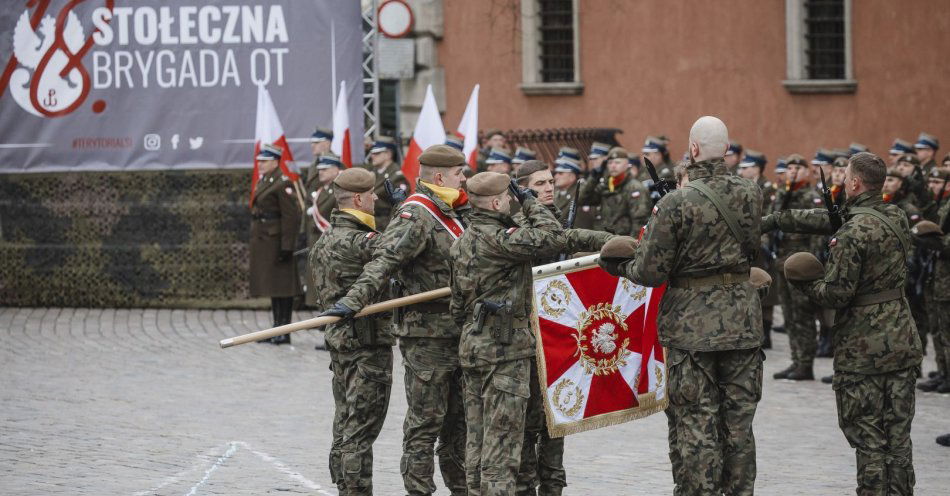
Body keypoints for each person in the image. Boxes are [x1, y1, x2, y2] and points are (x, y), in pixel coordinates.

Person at [599, 116, 763, 495]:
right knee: (739, 426)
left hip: (692, 330)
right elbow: (751, 246)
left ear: (692, 150)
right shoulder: (751, 193)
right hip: (742, 321)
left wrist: (618, 264)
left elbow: (650, 271)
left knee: (696, 424)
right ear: (725, 149)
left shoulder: (676, 202)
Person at [767, 151, 921, 495]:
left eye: (845, 176)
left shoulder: (851, 234)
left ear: (853, 183)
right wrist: (780, 219)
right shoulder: (895, 215)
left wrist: (805, 282)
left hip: (864, 346)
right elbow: (834, 217)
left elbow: (835, 294)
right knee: (897, 436)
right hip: (902, 339)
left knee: (867, 434)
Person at [321, 144, 470, 495]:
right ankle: (419, 490)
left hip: (459, 333)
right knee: (425, 426)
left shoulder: (452, 211)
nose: (464, 178)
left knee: (459, 426)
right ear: (439, 177)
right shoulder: (416, 214)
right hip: (426, 338)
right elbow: (384, 260)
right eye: (459, 173)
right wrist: (352, 300)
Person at [449, 171, 610, 495]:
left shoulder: (462, 241)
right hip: (505, 350)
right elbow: (552, 234)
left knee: (477, 441)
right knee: (503, 447)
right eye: (508, 197)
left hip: (473, 344)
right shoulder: (504, 239)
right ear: (496, 202)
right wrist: (530, 201)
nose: (512, 201)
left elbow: (456, 307)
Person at [310, 167, 394, 495]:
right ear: (358, 199)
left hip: (340, 346)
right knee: (360, 433)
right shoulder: (362, 242)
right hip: (367, 347)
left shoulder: (325, 240)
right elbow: (398, 250)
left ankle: (344, 487)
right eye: (371, 194)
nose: (375, 198)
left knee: (344, 426)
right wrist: (404, 213)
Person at [770, 154, 824, 380]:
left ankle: (806, 363)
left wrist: (812, 262)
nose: (792, 171)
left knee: (803, 313)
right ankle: (795, 359)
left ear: (806, 171)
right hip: (782, 258)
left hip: (801, 259)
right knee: (789, 313)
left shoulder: (812, 197)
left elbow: (817, 233)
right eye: (789, 168)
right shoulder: (783, 193)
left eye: (797, 168)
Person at [249, 144, 302, 344]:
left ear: (275, 162)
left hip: (277, 242)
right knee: (273, 287)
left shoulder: (282, 183)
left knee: (283, 288)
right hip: (265, 242)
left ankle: (284, 330)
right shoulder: (265, 181)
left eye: (264, 161)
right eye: (259, 161)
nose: (260, 164)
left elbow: (291, 217)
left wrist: (287, 246)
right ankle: (276, 328)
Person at [579, 147, 651, 235]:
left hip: (623, 242)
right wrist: (593, 177)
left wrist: (632, 245)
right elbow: (581, 199)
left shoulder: (635, 188)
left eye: (617, 162)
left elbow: (640, 222)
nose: (613, 166)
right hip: (604, 240)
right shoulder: (606, 186)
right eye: (610, 163)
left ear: (627, 164)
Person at [304, 153, 343, 309]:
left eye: (325, 169)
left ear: (335, 169)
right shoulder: (321, 190)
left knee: (331, 276)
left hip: (332, 240)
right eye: (320, 170)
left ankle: (330, 309)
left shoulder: (339, 189)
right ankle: (321, 307)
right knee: (319, 275)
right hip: (318, 238)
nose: (320, 172)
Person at [367, 136, 409, 230]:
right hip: (370, 222)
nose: (372, 155)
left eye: (377, 153)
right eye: (372, 152)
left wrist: (388, 228)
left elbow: (399, 207)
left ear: (388, 154)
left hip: (384, 226)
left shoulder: (397, 177)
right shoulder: (372, 172)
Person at [553, 156, 596, 229]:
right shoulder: (557, 193)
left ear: (572, 177)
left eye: (560, 173)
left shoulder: (580, 192)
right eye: (556, 173)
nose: (555, 176)